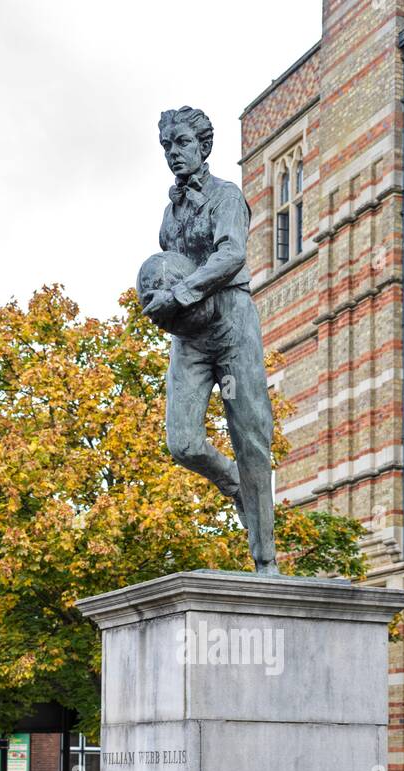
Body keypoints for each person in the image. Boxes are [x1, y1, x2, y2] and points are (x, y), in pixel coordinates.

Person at [140, 105, 278, 575]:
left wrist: (180, 293)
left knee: (251, 439)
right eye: (166, 146)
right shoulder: (169, 214)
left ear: (203, 146)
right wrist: (162, 301)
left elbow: (232, 254)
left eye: (181, 143)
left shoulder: (226, 197)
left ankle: (265, 560)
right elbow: (170, 266)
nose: (173, 153)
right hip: (191, 333)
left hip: (233, 324)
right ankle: (236, 483)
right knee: (182, 442)